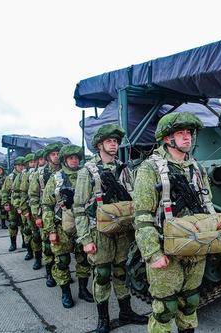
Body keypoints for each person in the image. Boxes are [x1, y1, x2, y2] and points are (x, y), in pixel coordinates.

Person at [133, 112, 217, 333]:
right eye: (180, 133)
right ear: (167, 138)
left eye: (189, 133)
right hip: (165, 249)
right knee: (165, 308)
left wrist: (215, 236)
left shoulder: (197, 168)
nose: (187, 137)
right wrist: (152, 253)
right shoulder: (149, 168)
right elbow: (142, 216)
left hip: (196, 246)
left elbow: (208, 204)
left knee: (190, 303)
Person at [73, 124, 147, 333]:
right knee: (103, 274)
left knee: (122, 272)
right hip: (100, 232)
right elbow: (79, 208)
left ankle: (126, 312)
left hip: (123, 230)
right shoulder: (87, 172)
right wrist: (86, 240)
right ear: (99, 145)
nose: (113, 144)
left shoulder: (124, 169)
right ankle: (103, 319)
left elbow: (135, 198)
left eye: (115, 141)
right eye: (109, 141)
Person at [42, 144, 93, 308]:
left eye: (77, 157)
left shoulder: (86, 176)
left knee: (83, 259)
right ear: (64, 160)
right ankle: (65, 293)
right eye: (71, 158)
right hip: (61, 225)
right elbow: (47, 206)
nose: (74, 160)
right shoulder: (56, 179)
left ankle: (83, 290)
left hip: (82, 226)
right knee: (62, 260)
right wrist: (50, 230)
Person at [29, 144, 62, 287]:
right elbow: (34, 196)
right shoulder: (40, 174)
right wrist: (37, 216)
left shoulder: (66, 171)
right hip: (46, 214)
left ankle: (61, 273)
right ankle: (49, 274)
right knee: (48, 246)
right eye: (53, 154)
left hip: (63, 214)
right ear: (48, 157)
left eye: (58, 153)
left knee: (62, 248)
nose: (56, 156)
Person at [2, 156, 25, 252]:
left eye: (22, 165)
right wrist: (6, 203)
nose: (21, 167)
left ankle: (26, 242)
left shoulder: (26, 175)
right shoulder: (10, 178)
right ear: (15, 166)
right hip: (12, 205)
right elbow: (4, 191)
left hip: (23, 204)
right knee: (12, 224)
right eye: (19, 165)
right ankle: (13, 243)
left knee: (25, 225)